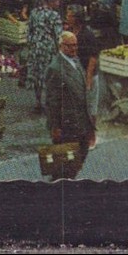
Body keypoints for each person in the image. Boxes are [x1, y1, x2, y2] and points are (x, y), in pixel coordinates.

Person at [44, 31, 95, 179]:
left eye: (75, 45)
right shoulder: (55, 68)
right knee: (65, 165)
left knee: (79, 157)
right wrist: (55, 126)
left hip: (82, 122)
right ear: (61, 46)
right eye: (70, 46)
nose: (74, 49)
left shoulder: (75, 60)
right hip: (67, 125)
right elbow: (51, 101)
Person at [25, 0, 65, 112]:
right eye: (57, 1)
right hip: (48, 48)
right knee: (49, 75)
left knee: (36, 74)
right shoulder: (54, 15)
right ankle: (48, 102)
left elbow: (29, 30)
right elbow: (58, 35)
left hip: (35, 46)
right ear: (52, 1)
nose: (58, 3)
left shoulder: (34, 12)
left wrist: (31, 44)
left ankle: (38, 102)